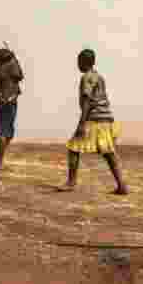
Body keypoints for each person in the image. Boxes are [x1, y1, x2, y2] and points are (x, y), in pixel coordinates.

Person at [58, 49, 129, 195]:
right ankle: (122, 185)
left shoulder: (87, 77)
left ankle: (71, 183)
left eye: (79, 61)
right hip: (106, 118)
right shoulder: (99, 76)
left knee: (73, 148)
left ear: (83, 62)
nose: (77, 64)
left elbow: (87, 101)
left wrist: (81, 124)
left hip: (94, 119)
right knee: (109, 153)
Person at [0, 47, 24, 169]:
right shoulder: (10, 65)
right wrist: (15, 60)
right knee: (5, 131)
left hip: (1, 99)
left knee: (5, 131)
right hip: (9, 99)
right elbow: (20, 76)